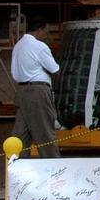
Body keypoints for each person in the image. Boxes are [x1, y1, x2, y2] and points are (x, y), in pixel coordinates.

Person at [10, 16, 59, 157]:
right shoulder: (39, 46)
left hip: (21, 92)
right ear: (39, 30)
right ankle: (54, 168)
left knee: (21, 133)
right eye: (46, 32)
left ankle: (17, 165)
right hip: (37, 92)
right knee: (44, 132)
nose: (47, 35)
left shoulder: (18, 45)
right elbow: (54, 69)